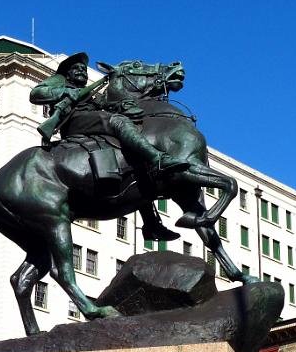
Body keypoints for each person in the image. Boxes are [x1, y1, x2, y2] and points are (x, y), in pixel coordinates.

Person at [30, 52, 184, 241]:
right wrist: (67, 92)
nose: (81, 71)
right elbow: (36, 94)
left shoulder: (89, 92)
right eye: (76, 68)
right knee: (117, 122)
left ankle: (151, 223)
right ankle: (157, 158)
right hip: (75, 122)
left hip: (91, 122)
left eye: (83, 69)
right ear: (66, 74)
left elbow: (101, 105)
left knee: (134, 160)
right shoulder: (59, 82)